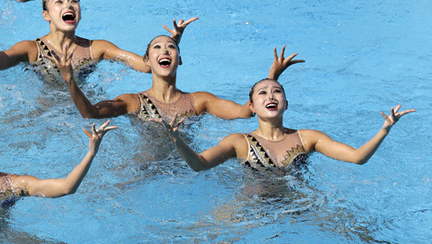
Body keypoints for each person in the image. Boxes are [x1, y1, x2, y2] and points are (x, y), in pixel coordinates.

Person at [54, 13, 303, 121]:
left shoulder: (198, 102)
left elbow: (244, 112)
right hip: (145, 168)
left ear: (180, 60)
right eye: (158, 48)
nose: (165, 51)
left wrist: (271, 80)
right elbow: (90, 114)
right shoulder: (134, 102)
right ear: (147, 61)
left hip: (186, 170)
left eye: (171, 48)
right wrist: (69, 80)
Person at [156, 78, 415, 171]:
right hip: (252, 205)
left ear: (286, 104)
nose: (271, 96)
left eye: (277, 91)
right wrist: (177, 141)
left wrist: (384, 129)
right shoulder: (239, 142)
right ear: (252, 107)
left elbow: (358, 158)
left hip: (298, 203)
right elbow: (200, 165)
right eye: (263, 93)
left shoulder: (308, 138)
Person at [0, 0, 164, 83]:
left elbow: (147, 67)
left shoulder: (97, 48)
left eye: (74, 1)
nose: (69, 5)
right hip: (47, 111)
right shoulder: (31, 49)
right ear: (46, 15)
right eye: (60, 1)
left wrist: (169, 47)